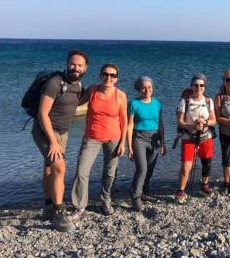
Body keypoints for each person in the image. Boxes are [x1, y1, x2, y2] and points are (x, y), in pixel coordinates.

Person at [31, 50, 88, 231]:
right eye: (72, 64)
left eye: (80, 65)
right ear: (67, 64)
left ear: (85, 68)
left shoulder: (78, 85)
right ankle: (59, 213)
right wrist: (53, 142)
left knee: (49, 168)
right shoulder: (55, 83)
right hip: (45, 131)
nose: (75, 68)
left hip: (63, 133)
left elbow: (74, 103)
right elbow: (42, 113)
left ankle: (48, 207)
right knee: (59, 167)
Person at [70, 63, 128, 219]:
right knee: (82, 171)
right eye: (106, 74)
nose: (108, 77)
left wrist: (123, 143)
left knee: (110, 173)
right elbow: (74, 102)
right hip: (91, 137)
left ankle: (106, 201)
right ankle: (80, 206)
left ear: (117, 78)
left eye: (112, 75)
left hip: (114, 138)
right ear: (101, 75)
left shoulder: (120, 95)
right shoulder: (92, 90)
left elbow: (124, 120)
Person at [174, 74, 217, 203]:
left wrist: (204, 122)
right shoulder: (185, 101)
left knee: (206, 163)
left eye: (201, 85)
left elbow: (214, 120)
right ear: (192, 86)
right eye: (196, 85)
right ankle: (181, 191)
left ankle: (204, 186)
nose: (199, 87)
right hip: (188, 137)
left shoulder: (209, 101)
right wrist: (194, 125)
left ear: (205, 87)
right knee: (186, 167)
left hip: (206, 137)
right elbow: (180, 122)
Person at [127, 76, 166, 212]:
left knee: (150, 168)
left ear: (153, 88)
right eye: (143, 87)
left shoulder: (157, 103)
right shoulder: (133, 104)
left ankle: (144, 191)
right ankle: (135, 197)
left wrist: (163, 143)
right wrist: (129, 146)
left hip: (154, 138)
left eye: (149, 87)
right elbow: (129, 125)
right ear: (139, 88)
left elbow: (160, 124)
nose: (147, 90)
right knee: (142, 168)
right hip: (139, 138)